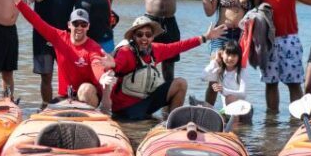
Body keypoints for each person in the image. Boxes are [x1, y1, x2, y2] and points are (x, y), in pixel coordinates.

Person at [94, 16, 226, 120]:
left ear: (152, 37)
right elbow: (116, 66)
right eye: (140, 34)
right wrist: (112, 65)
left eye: (148, 34)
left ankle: (172, 122)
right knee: (138, 123)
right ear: (133, 36)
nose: (144, 38)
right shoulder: (125, 52)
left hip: (146, 103)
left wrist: (205, 37)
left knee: (180, 83)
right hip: (125, 108)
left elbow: (179, 46)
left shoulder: (156, 49)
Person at [9, 0, 109, 108]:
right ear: (69, 25)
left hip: (89, 95)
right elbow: (37, 21)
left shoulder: (93, 47)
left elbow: (97, 65)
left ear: (88, 26)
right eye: (76, 24)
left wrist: (102, 77)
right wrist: (19, 2)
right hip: (67, 96)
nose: (79, 27)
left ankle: (85, 118)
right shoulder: (59, 37)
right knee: (46, 110)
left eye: (83, 25)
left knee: (85, 89)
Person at [25, 0, 81, 106]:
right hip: (43, 36)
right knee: (46, 76)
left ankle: (69, 105)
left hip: (65, 37)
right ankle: (46, 106)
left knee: (70, 75)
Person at [200, 0, 259, 104]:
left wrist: (255, 43)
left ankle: (233, 112)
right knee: (215, 71)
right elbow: (209, 11)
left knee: (236, 75)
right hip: (221, 34)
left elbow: (257, 17)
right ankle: (208, 108)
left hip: (240, 36)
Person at [208, 40, 248, 108]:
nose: (230, 58)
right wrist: (215, 61)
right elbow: (203, 76)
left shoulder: (242, 71)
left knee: (230, 98)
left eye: (234, 55)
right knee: (205, 106)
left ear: (239, 57)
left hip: (242, 109)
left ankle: (233, 118)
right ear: (222, 54)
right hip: (226, 110)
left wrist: (224, 90)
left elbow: (243, 94)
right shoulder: (219, 71)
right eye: (228, 54)